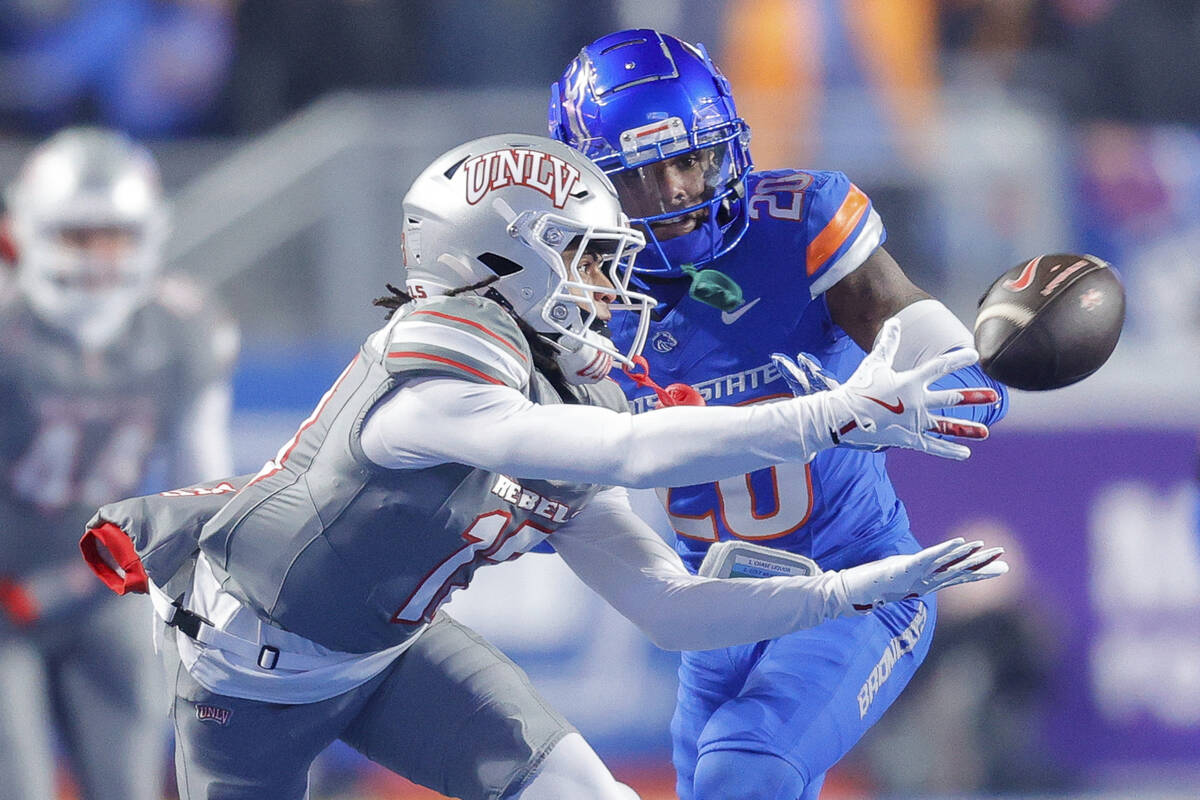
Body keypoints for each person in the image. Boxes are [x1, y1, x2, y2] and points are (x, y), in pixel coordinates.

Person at [80, 133, 1006, 800]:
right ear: (502, 262)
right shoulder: (444, 365)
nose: (614, 292)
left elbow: (671, 610)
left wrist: (861, 589)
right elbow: (630, 450)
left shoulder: (559, 393)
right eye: (591, 262)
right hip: (253, 678)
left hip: (395, 650)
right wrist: (841, 413)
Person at [549, 29, 1012, 799]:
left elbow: (916, 330)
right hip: (720, 614)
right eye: (640, 176)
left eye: (689, 159)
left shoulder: (795, 223)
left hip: (863, 582)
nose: (674, 193)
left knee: (745, 765)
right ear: (588, 185)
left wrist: (967, 371)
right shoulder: (572, 298)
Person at [0, 127, 237, 800]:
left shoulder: (185, 328)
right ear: (29, 232)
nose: (101, 260)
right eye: (80, 238)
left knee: (129, 784)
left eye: (116, 238)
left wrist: (200, 595)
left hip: (98, 588)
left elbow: (201, 486)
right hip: (2, 590)